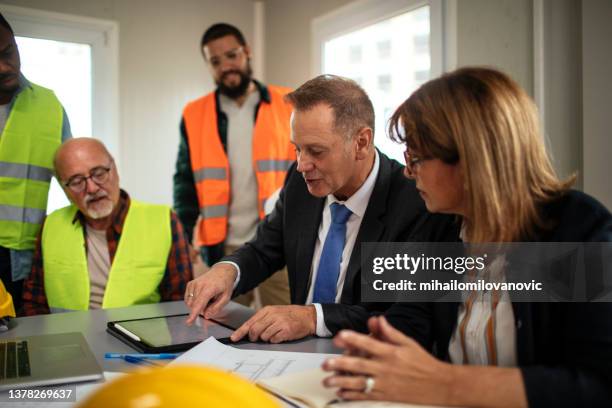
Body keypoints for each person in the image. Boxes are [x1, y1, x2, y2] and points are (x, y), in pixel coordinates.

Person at [321, 67, 612, 407]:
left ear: (472, 158)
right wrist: (377, 351)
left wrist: (444, 384)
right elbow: (413, 315)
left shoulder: (575, 231)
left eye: (416, 158)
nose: (407, 171)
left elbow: (598, 387)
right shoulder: (442, 225)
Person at [185, 75, 457, 343]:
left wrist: (313, 318)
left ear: (361, 143)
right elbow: (264, 248)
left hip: (363, 360)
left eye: (316, 151)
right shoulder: (299, 181)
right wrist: (229, 270)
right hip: (291, 358)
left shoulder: (416, 204)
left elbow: (405, 317)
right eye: (297, 149)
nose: (302, 164)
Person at [174, 23, 295, 308]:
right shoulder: (194, 113)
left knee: (288, 327)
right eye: (215, 61)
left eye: (232, 55)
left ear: (247, 52)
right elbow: (184, 182)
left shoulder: (288, 103)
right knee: (219, 330)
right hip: (222, 249)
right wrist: (183, 238)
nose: (226, 66)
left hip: (278, 243)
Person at [22, 138, 192, 315]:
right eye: (76, 181)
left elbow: (179, 306)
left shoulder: (164, 221)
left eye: (99, 173)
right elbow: (34, 302)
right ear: (64, 189)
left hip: (139, 341)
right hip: (67, 339)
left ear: (115, 169)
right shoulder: (51, 225)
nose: (92, 188)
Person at [0, 13, 71, 312]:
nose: (4, 67)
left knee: (24, 348)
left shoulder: (48, 104)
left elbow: (75, 180)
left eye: (8, 53)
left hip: (26, 261)